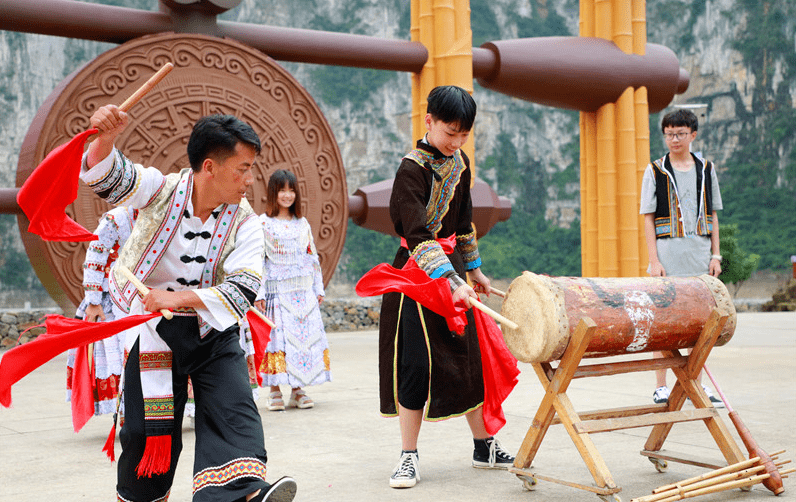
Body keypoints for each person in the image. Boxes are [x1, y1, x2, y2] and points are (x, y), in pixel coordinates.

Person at [81, 104, 296, 502]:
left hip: (211, 329)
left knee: (237, 414)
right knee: (148, 440)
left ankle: (248, 496)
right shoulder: (158, 189)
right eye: (243, 168)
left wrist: (177, 297)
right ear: (209, 167)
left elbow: (244, 288)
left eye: (252, 168)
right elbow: (108, 176)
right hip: (152, 333)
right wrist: (106, 138)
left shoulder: (247, 220)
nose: (250, 179)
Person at [378, 85, 515, 489]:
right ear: (429, 122)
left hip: (454, 271)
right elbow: (419, 236)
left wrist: (474, 271)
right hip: (416, 276)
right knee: (415, 364)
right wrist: (452, 280)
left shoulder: (460, 162)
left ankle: (483, 446)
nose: (455, 142)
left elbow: (464, 222)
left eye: (463, 135)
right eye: (449, 132)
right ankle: (408, 456)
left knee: (469, 357)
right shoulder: (410, 169)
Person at [640, 108, 724, 408]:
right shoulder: (655, 170)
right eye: (669, 133)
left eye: (680, 133)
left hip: (699, 254)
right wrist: (654, 260)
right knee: (665, 321)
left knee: (701, 324)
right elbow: (648, 217)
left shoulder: (706, 169)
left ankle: (696, 385)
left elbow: (712, 213)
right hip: (668, 254)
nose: (674, 139)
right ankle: (661, 386)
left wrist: (716, 254)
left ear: (693, 135)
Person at [254, 169, 330, 411]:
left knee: (302, 341)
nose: (287, 195)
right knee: (276, 341)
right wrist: (258, 294)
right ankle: (275, 391)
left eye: (291, 190)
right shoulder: (262, 223)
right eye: (282, 190)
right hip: (275, 293)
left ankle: (298, 390)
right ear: (273, 193)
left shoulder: (302, 223)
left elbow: (312, 257)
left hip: (303, 293)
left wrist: (318, 287)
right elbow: (258, 260)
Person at [66, 205, 137, 418]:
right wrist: (94, 300)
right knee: (118, 356)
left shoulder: (158, 214)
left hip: (142, 296)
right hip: (111, 300)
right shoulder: (115, 219)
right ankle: (125, 414)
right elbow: (95, 257)